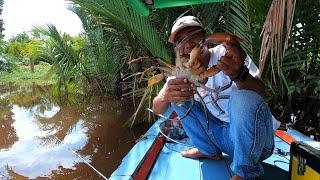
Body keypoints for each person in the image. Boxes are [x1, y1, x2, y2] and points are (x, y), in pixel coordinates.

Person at [152, 15, 276, 179]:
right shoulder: (182, 71)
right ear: (177, 49)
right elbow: (156, 108)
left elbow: (260, 94)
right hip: (221, 138)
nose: (187, 44)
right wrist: (167, 94)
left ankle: (244, 173)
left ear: (204, 37)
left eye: (192, 36)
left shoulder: (227, 54)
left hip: (255, 142)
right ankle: (208, 151)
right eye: (180, 41)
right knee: (177, 97)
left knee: (242, 98)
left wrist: (240, 75)